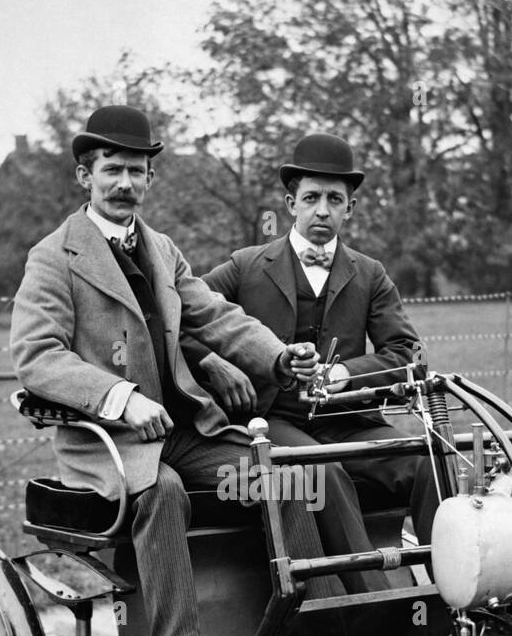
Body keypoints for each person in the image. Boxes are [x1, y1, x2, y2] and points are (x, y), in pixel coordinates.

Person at [10, 106, 343, 636]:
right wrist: (122, 399)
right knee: (162, 494)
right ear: (85, 176)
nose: (125, 184)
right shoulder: (54, 257)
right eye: (111, 170)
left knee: (285, 472)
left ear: (150, 180)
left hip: (181, 431)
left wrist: (279, 357)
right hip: (105, 445)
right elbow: (37, 357)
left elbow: (215, 316)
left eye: (137, 171)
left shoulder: (160, 250)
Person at [186, 132, 440, 553]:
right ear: (291, 204)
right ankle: (367, 606)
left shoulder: (370, 274)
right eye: (311, 198)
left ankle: (450, 600)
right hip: (273, 419)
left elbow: (408, 355)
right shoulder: (245, 266)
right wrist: (215, 361)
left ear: (350, 208)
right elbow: (182, 319)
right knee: (326, 473)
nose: (322, 210)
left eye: (335, 200)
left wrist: (346, 373)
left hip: (349, 421)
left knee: (425, 462)